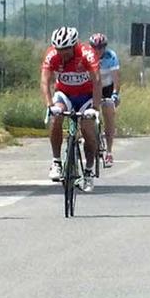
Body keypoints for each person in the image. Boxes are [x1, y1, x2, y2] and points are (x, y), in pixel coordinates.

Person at [40, 26, 102, 192]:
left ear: (74, 46)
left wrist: (95, 108)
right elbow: (45, 81)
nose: (62, 53)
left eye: (66, 49)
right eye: (59, 49)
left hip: (86, 96)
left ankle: (88, 171)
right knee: (56, 118)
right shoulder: (52, 55)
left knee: (87, 130)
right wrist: (49, 105)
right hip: (65, 94)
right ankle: (56, 162)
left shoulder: (87, 54)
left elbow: (97, 81)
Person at [88, 32, 120, 168]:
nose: (98, 50)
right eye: (95, 47)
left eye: (101, 47)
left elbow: (116, 78)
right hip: (91, 88)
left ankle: (109, 152)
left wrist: (115, 94)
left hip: (107, 88)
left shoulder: (111, 56)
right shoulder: (87, 56)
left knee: (108, 113)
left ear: (105, 47)